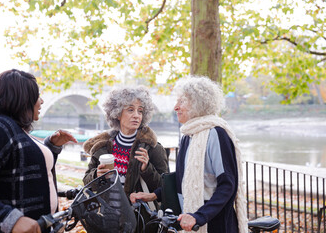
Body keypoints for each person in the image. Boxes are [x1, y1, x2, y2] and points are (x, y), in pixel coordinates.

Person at [130, 76, 248, 233]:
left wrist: (199, 216)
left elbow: (227, 184)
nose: (175, 107)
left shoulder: (216, 133)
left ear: (198, 104)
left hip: (214, 222)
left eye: (182, 102)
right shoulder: (188, 134)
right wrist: (153, 195)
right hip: (190, 217)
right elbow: (183, 177)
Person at [0, 69, 77, 233]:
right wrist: (9, 219)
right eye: (37, 95)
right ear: (22, 98)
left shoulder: (15, 129)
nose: (42, 101)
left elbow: (22, 169)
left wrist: (51, 147)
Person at [82, 86, 168, 199]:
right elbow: (86, 182)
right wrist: (96, 175)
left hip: (138, 214)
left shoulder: (153, 148)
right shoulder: (102, 146)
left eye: (140, 111)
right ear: (117, 114)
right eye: (130, 110)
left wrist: (146, 169)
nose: (136, 115)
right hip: (107, 213)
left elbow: (165, 188)